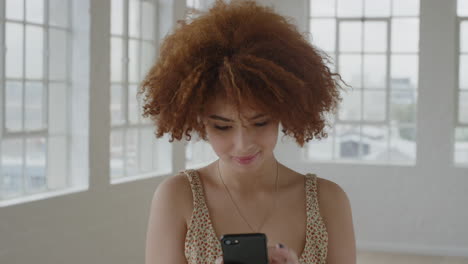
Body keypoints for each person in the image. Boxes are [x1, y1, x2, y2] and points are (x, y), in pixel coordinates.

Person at [141, 0, 356, 263]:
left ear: (284, 113)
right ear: (199, 120)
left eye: (260, 123)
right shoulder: (178, 197)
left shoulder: (328, 201)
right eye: (222, 126)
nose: (242, 144)